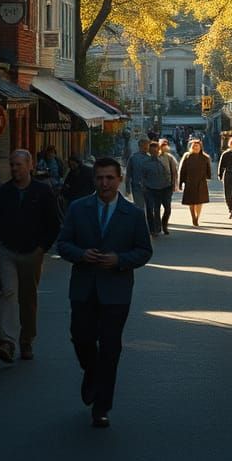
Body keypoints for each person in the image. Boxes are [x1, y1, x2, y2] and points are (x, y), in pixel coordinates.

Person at [57, 157, 153, 427]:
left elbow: (144, 251)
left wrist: (119, 260)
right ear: (94, 180)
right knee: (81, 338)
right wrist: (81, 254)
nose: (104, 183)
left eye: (110, 178)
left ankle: (102, 406)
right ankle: (91, 371)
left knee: (110, 347)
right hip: (84, 287)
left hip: (116, 290)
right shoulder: (79, 208)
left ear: (119, 180)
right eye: (100, 178)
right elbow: (63, 244)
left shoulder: (133, 214)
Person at [0, 149, 61, 362]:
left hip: (32, 253)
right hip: (6, 251)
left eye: (18, 164)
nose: (14, 168)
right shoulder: (3, 192)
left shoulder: (42, 192)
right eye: (12, 164)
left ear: (30, 165)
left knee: (28, 297)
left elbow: (53, 224)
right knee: (9, 292)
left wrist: (41, 248)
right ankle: (7, 342)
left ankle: (26, 339)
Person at [142, 140, 174, 236]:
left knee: (167, 209)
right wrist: (144, 187)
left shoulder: (166, 159)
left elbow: (172, 171)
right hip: (151, 189)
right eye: (152, 151)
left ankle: (164, 225)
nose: (154, 153)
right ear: (149, 151)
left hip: (165, 188)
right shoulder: (145, 163)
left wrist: (172, 185)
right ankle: (154, 229)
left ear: (159, 150)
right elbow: (142, 176)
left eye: (156, 151)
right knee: (153, 209)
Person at [178, 137, 212, 227]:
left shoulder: (205, 157)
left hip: (201, 182)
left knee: (199, 202)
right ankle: (193, 216)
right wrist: (180, 183)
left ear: (200, 147)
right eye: (194, 146)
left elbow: (208, 170)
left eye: (197, 146)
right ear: (191, 147)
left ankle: (197, 217)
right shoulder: (187, 156)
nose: (196, 147)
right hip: (190, 182)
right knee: (191, 201)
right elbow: (182, 170)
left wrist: (208, 177)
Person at [125, 137, 151, 210]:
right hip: (137, 186)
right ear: (140, 146)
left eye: (147, 146)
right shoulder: (133, 158)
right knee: (139, 207)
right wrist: (127, 187)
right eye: (144, 146)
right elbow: (128, 173)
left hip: (149, 187)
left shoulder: (151, 158)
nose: (146, 148)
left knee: (149, 207)